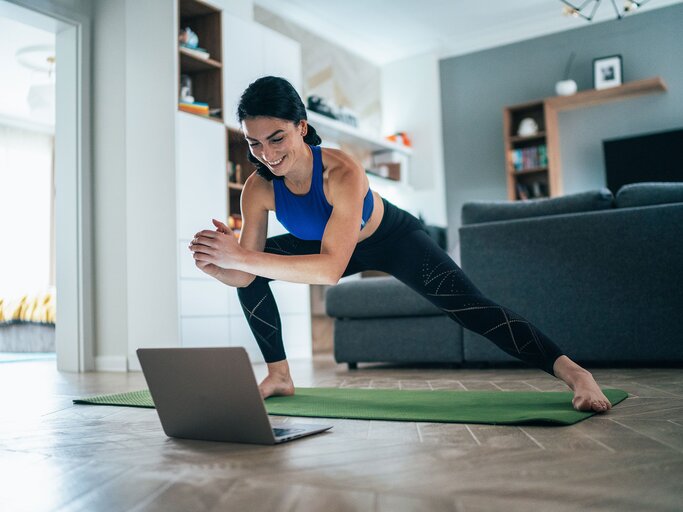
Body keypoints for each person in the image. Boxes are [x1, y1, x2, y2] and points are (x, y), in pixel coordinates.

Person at [188, 76, 612, 413]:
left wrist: (243, 257)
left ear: (301, 127)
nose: (265, 153)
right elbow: (248, 273)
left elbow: (331, 269)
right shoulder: (257, 189)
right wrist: (223, 266)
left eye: (276, 138)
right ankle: (279, 375)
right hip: (325, 247)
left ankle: (576, 375)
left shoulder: (342, 172)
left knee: (471, 307)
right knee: (252, 278)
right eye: (253, 143)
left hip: (391, 239)